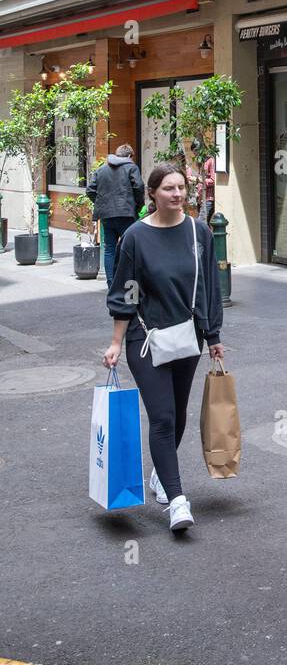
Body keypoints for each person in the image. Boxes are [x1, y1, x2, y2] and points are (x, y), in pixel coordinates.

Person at [101, 163, 224, 534]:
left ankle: (160, 475)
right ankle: (177, 500)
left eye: (182, 188)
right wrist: (116, 341)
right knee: (163, 417)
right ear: (152, 193)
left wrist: (213, 336)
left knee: (179, 413)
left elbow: (209, 288)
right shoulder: (136, 236)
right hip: (146, 338)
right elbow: (128, 289)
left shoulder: (198, 232)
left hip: (187, 335)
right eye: (169, 188)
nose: (178, 194)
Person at [85, 143, 145, 283]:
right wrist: (137, 206)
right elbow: (139, 187)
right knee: (129, 248)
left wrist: (101, 203)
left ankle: (111, 283)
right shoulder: (131, 167)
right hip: (126, 214)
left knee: (109, 249)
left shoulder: (102, 170)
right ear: (130, 156)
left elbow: (90, 190)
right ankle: (127, 281)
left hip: (106, 215)